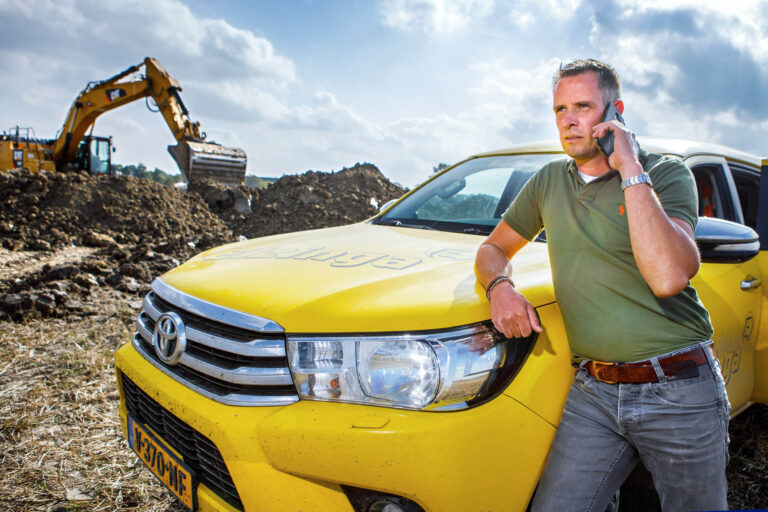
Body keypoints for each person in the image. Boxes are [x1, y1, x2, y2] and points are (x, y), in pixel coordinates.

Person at [474, 59, 730, 512]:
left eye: (583, 106)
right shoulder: (550, 180)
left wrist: (629, 165)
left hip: (677, 387)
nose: (568, 120)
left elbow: (669, 276)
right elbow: (492, 249)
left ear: (616, 112)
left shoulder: (664, 174)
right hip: (593, 390)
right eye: (559, 109)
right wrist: (500, 288)